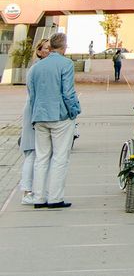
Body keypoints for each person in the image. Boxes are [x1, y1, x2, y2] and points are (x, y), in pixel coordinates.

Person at [25, 32, 81, 209]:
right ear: (63, 46)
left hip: (39, 116)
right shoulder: (66, 64)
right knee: (59, 157)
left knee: (41, 157)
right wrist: (74, 111)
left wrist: (34, 115)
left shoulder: (36, 67)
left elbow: (32, 94)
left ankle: (38, 197)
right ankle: (55, 197)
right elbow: (68, 92)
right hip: (59, 116)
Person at [18, 36, 52, 203]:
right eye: (45, 48)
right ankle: (26, 192)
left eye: (50, 47)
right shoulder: (37, 68)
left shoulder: (41, 67)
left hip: (37, 111)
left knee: (38, 154)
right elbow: (34, 94)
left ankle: (33, 191)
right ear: (39, 51)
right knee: (32, 152)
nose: (48, 50)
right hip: (34, 112)